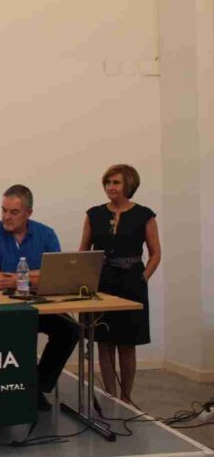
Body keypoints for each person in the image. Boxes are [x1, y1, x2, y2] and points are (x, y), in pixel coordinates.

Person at [0, 185, 79, 410]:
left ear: (29, 213)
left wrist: (16, 278)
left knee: (71, 330)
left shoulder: (46, 233)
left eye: (14, 212)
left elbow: (55, 274)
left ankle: (37, 385)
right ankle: (24, 390)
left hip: (42, 303)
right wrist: (33, 276)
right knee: (23, 330)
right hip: (5, 306)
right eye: (3, 210)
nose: (6, 217)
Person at [79, 164, 160, 403]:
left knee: (127, 343)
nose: (110, 187)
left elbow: (155, 253)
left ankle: (126, 399)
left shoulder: (144, 214)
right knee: (104, 342)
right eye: (107, 182)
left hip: (131, 285)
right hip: (102, 283)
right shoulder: (94, 214)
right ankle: (110, 395)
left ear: (129, 185)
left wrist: (143, 277)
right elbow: (84, 250)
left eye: (116, 182)